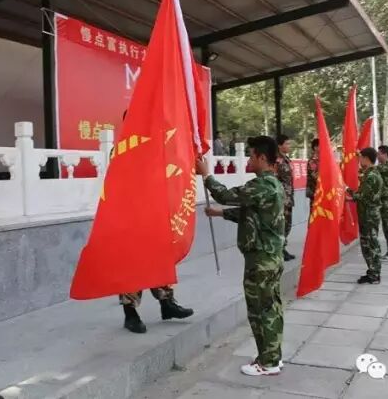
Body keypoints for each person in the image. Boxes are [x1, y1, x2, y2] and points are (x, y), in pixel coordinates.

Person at [197, 136, 285, 376]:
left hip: (261, 259)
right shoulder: (272, 184)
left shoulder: (262, 185)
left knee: (260, 311)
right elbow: (251, 213)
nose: (248, 160)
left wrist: (206, 175)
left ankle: (267, 363)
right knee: (271, 308)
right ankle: (272, 356)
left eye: (251, 155)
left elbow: (226, 195)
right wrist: (220, 214)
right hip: (269, 257)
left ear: (262, 158)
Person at [118, 108, 194, 334]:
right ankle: (130, 313)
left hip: (156, 216)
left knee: (161, 260)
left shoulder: (156, 146)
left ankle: (167, 303)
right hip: (132, 219)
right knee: (133, 267)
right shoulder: (123, 148)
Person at [347, 147, 383, 284]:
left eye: (361, 158)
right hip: (368, 214)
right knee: (367, 244)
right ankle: (372, 271)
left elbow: (362, 196)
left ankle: (375, 274)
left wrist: (347, 192)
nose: (359, 160)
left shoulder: (371, 176)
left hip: (369, 215)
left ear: (366, 159)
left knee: (371, 244)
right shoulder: (371, 173)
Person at [275, 134, 296, 261]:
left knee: (287, 225)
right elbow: (274, 180)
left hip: (288, 198)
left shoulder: (286, 159)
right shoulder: (276, 161)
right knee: (281, 225)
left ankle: (282, 248)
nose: (289, 146)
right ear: (279, 145)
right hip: (281, 198)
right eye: (287, 144)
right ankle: (279, 250)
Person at [306, 138, 320, 214]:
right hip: (315, 191)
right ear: (315, 147)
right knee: (314, 213)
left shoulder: (323, 159)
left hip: (322, 192)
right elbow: (315, 176)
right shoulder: (312, 161)